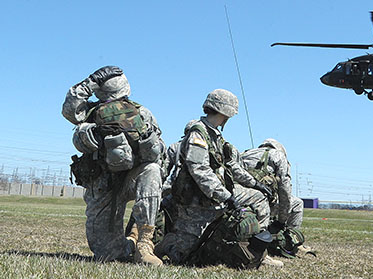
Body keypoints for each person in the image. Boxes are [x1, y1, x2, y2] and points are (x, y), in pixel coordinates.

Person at [154, 89, 280, 267]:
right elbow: (200, 171)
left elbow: (231, 166)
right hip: (197, 199)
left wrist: (255, 184)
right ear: (224, 111)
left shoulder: (216, 137)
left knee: (258, 198)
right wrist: (226, 196)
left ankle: (257, 252)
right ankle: (167, 244)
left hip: (215, 195)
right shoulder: (198, 134)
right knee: (184, 255)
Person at [63, 66, 165, 265]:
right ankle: (132, 241)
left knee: (152, 170)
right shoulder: (90, 113)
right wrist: (91, 83)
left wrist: (145, 139)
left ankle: (145, 242)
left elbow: (159, 151)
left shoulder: (141, 114)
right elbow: (69, 110)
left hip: (131, 179)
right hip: (103, 183)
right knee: (107, 254)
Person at [241, 139, 313, 257]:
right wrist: (282, 220)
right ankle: (292, 241)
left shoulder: (245, 154)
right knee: (297, 203)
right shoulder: (278, 156)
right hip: (264, 203)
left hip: (242, 202)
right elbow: (285, 191)